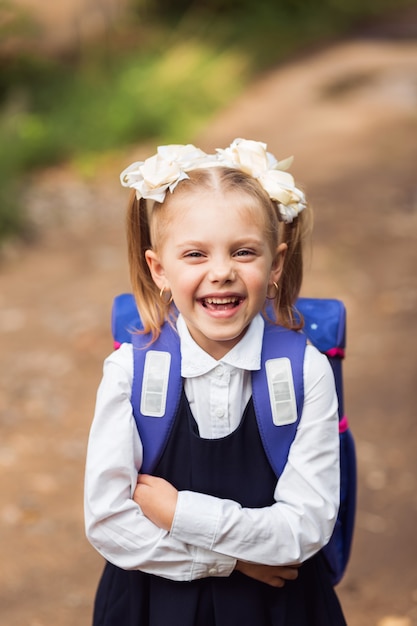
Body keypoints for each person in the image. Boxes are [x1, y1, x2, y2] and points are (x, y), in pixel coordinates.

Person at [84, 138, 347, 625]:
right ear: (159, 269)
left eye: (243, 251)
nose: (221, 272)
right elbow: (108, 522)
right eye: (196, 255)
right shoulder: (130, 373)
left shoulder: (304, 369)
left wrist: (178, 512)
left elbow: (305, 528)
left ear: (277, 264)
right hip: (152, 606)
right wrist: (233, 560)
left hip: (278, 609)